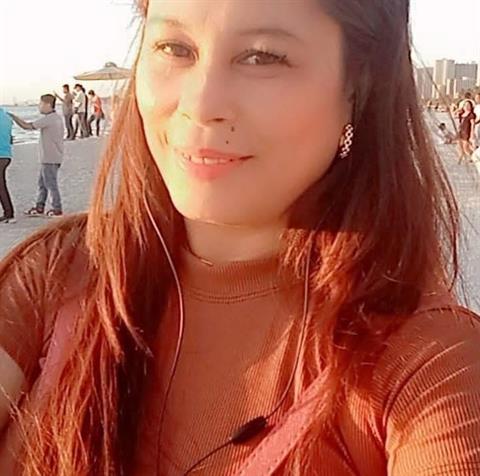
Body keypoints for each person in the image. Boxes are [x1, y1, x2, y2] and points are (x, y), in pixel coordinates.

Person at [0, 1, 479, 475]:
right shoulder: (60, 273)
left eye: (262, 56)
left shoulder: (427, 365)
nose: (200, 105)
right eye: (174, 48)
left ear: (359, 84)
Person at [8, 94, 64, 218]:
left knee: (51, 184)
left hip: (50, 158)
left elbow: (28, 126)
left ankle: (57, 209)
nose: (39, 106)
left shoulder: (50, 118)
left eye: (40, 104)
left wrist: (14, 117)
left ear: (48, 105)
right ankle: (39, 207)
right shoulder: (55, 118)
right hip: (52, 157)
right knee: (43, 184)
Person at [0, 108, 15, 223]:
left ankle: (9, 213)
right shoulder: (7, 116)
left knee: (1, 186)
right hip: (7, 155)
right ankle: (8, 212)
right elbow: (10, 138)